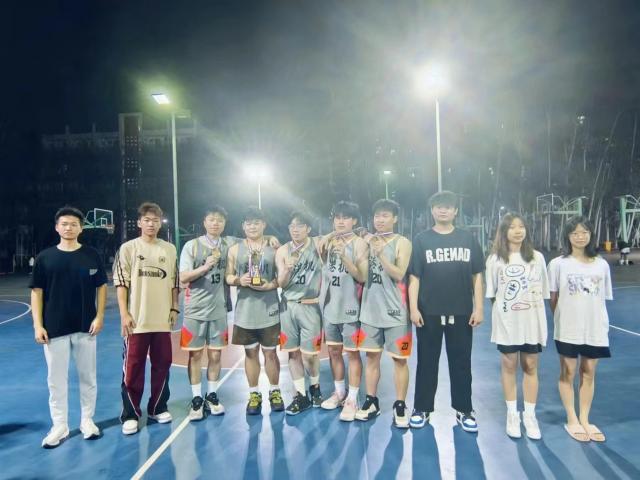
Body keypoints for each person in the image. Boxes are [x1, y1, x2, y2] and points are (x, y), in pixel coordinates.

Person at [30, 206, 107, 448]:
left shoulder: (91, 255)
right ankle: (60, 425)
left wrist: (99, 316)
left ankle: (87, 420)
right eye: (64, 223)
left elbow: (101, 287)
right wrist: (38, 325)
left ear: (81, 228)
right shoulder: (45, 258)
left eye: (74, 224)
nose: (69, 227)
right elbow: (37, 292)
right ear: (57, 227)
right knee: (56, 380)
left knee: (88, 377)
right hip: (54, 327)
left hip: (86, 326)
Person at [408, 190, 484, 432]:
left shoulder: (468, 239)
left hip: (461, 312)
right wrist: (413, 308)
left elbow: (477, 276)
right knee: (426, 363)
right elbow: (414, 277)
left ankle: (464, 410)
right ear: (432, 210)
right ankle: (422, 408)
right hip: (428, 312)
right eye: (439, 206)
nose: (443, 210)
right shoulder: (421, 240)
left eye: (448, 206)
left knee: (461, 363)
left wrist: (479, 307)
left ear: (455, 211)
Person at [113, 202, 179, 435]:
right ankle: (131, 414)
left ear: (160, 223)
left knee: (162, 365)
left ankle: (157, 407)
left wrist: (174, 308)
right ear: (139, 222)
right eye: (147, 220)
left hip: (162, 320)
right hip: (137, 320)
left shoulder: (169, 249)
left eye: (155, 220)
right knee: (133, 369)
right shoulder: (128, 248)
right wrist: (124, 314)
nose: (151, 224)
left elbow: (174, 282)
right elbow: (121, 284)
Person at [549, 216, 612, 443]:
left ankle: (585, 418)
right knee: (568, 372)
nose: (580, 236)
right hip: (568, 327)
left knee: (588, 372)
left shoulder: (601, 264)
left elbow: (602, 298)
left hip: (595, 327)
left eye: (584, 232)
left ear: (590, 235)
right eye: (575, 233)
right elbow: (553, 298)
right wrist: (563, 318)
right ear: (568, 236)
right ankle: (572, 418)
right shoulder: (558, 264)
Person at [486, 213, 549, 439]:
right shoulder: (495, 260)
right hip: (508, 323)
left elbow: (543, 292)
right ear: (504, 232)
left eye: (521, 226)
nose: (517, 231)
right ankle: (512, 414)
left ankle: (529, 416)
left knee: (531, 366)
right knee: (509, 365)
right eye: (512, 227)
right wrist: (507, 311)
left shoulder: (537, 258)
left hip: (532, 322)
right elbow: (492, 294)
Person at [357, 199, 413, 428]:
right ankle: (371, 401)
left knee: (400, 360)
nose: (380, 220)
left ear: (395, 218)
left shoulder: (402, 242)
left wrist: (380, 254)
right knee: (371, 358)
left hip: (395, 312)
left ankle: (400, 405)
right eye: (377, 216)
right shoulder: (367, 241)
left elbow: (399, 274)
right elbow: (361, 274)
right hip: (370, 311)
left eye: (385, 215)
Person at [225, 207, 284, 415]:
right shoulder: (235, 249)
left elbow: (281, 277)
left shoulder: (274, 248)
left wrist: (270, 285)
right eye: (248, 223)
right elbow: (227, 276)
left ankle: (275, 392)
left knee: (270, 353)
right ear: (243, 226)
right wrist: (238, 280)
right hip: (245, 311)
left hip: (269, 309)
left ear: (263, 225)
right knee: (250, 354)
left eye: (256, 222)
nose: (252, 226)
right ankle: (254, 394)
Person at [179, 206, 233, 420]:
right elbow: (183, 277)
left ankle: (211, 395)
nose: (215, 223)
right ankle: (196, 398)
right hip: (195, 309)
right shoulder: (192, 246)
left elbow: (251, 241)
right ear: (204, 222)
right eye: (211, 219)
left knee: (216, 354)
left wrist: (269, 238)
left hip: (219, 309)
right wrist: (204, 267)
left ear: (224, 224)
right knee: (195, 355)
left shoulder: (228, 245)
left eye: (219, 220)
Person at [320, 201, 368, 422]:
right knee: (333, 352)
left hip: (351, 308)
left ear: (354, 220)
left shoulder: (359, 243)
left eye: (345, 217)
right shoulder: (329, 241)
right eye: (337, 217)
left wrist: (344, 257)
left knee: (353, 353)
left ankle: (352, 398)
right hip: (330, 307)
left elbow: (362, 276)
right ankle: (339, 392)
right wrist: (331, 236)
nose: (340, 221)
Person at [276, 211, 326, 415]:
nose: (295, 230)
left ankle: (315, 387)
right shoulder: (282, 251)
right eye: (292, 226)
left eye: (300, 226)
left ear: (308, 229)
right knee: (293, 353)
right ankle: (300, 395)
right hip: (288, 306)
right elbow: (281, 283)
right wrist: (287, 270)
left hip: (310, 305)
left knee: (311, 355)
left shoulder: (317, 244)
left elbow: (335, 236)